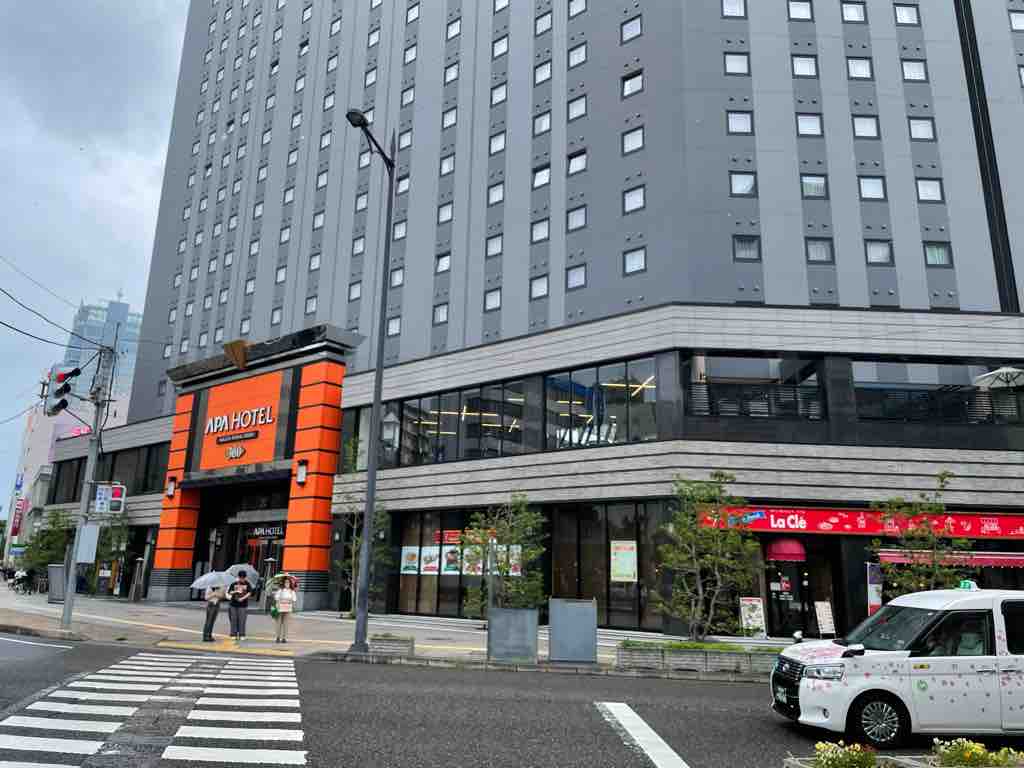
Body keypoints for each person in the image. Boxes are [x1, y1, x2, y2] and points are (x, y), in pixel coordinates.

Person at [227, 571, 252, 640]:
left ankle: (242, 634)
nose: (242, 579)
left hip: (243, 605)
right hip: (233, 604)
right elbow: (230, 592)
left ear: (245, 577)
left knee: (242, 620)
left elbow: (249, 593)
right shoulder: (234, 583)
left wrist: (242, 598)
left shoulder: (247, 584)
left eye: (243, 578)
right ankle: (233, 634)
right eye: (241, 578)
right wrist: (236, 591)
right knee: (233, 619)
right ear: (238, 577)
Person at [273, 576, 297, 644]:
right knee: (278, 623)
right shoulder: (280, 590)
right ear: (283, 583)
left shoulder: (292, 591)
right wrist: (280, 600)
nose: (287, 584)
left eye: (288, 582)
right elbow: (276, 598)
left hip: (288, 608)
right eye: (286, 582)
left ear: (290, 583)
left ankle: (284, 638)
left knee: (286, 624)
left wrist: (290, 601)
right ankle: (277, 637)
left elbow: (294, 599)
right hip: (280, 608)